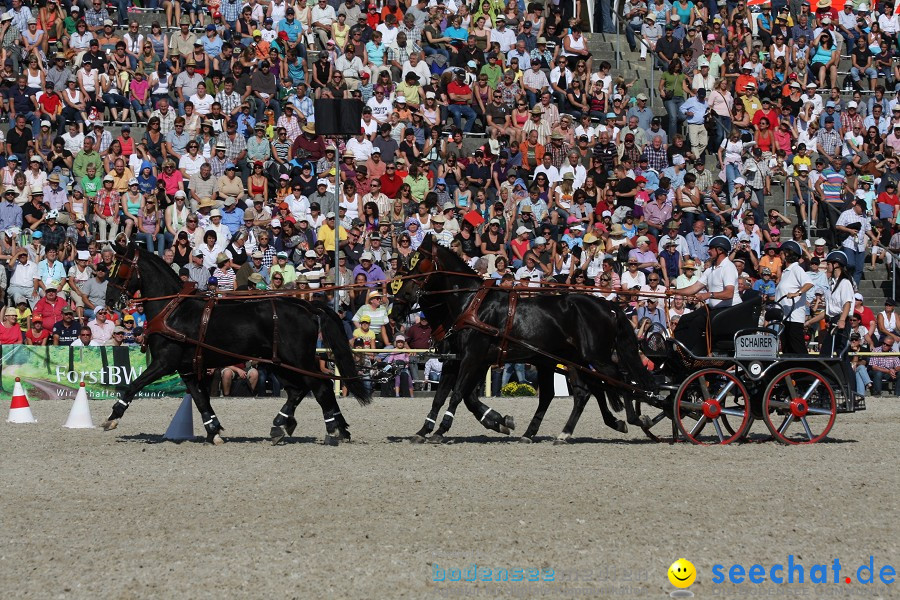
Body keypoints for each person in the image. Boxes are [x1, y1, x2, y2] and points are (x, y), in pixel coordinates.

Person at [672, 235, 740, 308]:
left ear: (720, 250)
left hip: (730, 310)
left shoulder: (728, 267)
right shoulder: (710, 269)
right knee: (687, 318)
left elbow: (729, 294)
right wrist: (674, 291)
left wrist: (708, 295)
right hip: (716, 309)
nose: (708, 251)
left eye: (711, 248)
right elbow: (694, 288)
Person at [775, 241, 813, 355]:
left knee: (798, 350)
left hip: (794, 318)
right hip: (785, 318)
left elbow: (809, 283)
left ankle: (807, 372)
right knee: (787, 351)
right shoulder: (786, 272)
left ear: (787, 254)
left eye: (781, 254)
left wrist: (797, 293)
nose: (780, 256)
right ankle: (792, 372)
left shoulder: (796, 269)